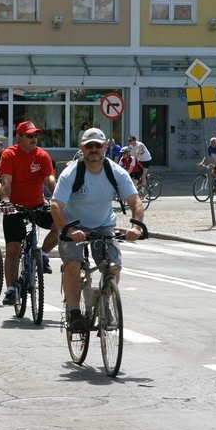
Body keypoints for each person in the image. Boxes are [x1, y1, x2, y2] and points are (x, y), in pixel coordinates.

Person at [50, 128, 144, 331]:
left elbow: (135, 202)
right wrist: (67, 230)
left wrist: (135, 227)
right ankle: (74, 312)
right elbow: (56, 205)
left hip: (104, 225)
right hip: (74, 225)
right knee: (73, 264)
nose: (94, 149)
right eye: (89, 145)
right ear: (82, 148)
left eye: (98, 145)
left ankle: (104, 304)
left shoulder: (115, 172)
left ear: (106, 147)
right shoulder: (72, 173)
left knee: (113, 267)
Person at [0, 121, 59, 306]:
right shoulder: (9, 154)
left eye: (36, 135)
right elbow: (6, 181)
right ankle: (10, 290)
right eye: (30, 136)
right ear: (19, 137)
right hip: (15, 207)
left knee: (61, 224)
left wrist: (59, 197)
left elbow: (50, 180)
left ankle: (42, 254)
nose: (34, 139)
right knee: (13, 249)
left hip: (37, 205)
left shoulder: (42, 155)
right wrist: (7, 201)